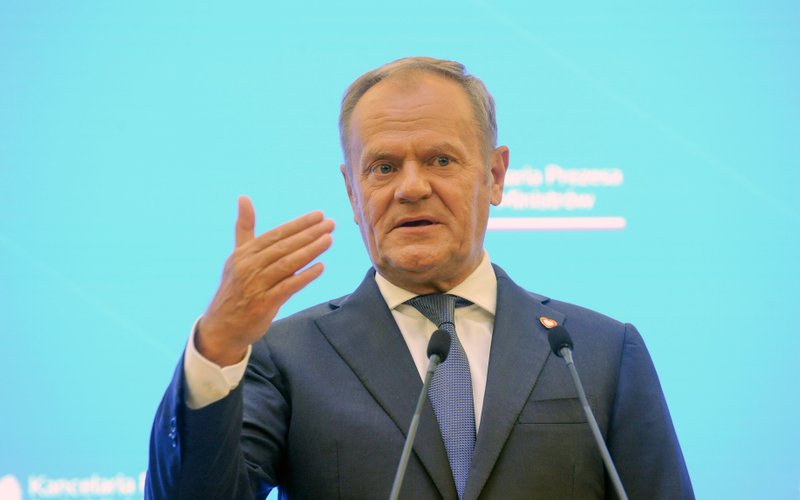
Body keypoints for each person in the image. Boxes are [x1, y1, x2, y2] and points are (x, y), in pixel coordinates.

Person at [146, 57, 693, 499]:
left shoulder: (596, 352)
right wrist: (217, 347)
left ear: (495, 174)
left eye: (440, 160)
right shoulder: (284, 358)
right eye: (383, 167)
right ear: (352, 191)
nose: (411, 188)